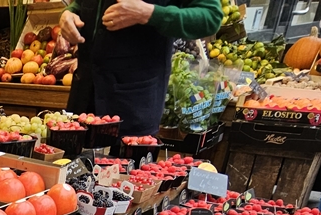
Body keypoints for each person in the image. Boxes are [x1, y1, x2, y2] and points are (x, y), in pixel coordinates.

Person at [59, 0, 222, 136]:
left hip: (132, 106)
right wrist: (70, 12)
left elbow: (210, 17)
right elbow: (82, 4)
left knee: (125, 172)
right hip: (82, 99)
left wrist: (149, 13)